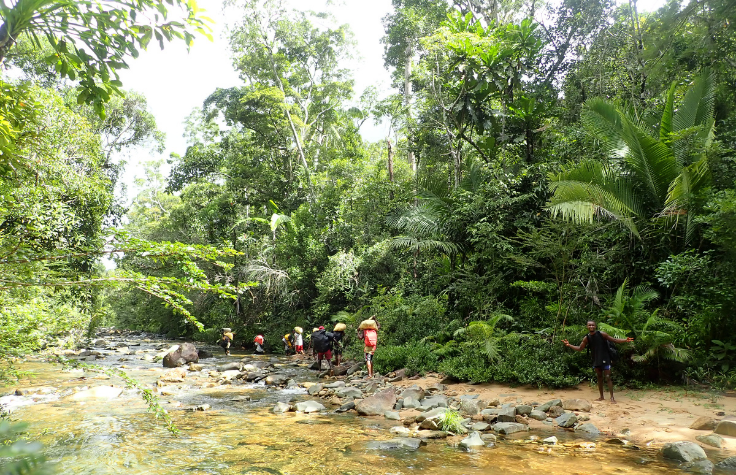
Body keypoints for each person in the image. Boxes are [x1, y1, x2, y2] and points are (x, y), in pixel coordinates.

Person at [562, 320, 634, 403]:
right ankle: (601, 396)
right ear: (587, 326)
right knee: (599, 377)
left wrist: (625, 340)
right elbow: (580, 348)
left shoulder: (602, 334)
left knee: (607, 377)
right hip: (596, 360)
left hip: (605, 358)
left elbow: (614, 340)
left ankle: (612, 397)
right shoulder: (587, 338)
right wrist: (569, 345)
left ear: (595, 326)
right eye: (589, 325)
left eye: (593, 325)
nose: (591, 326)